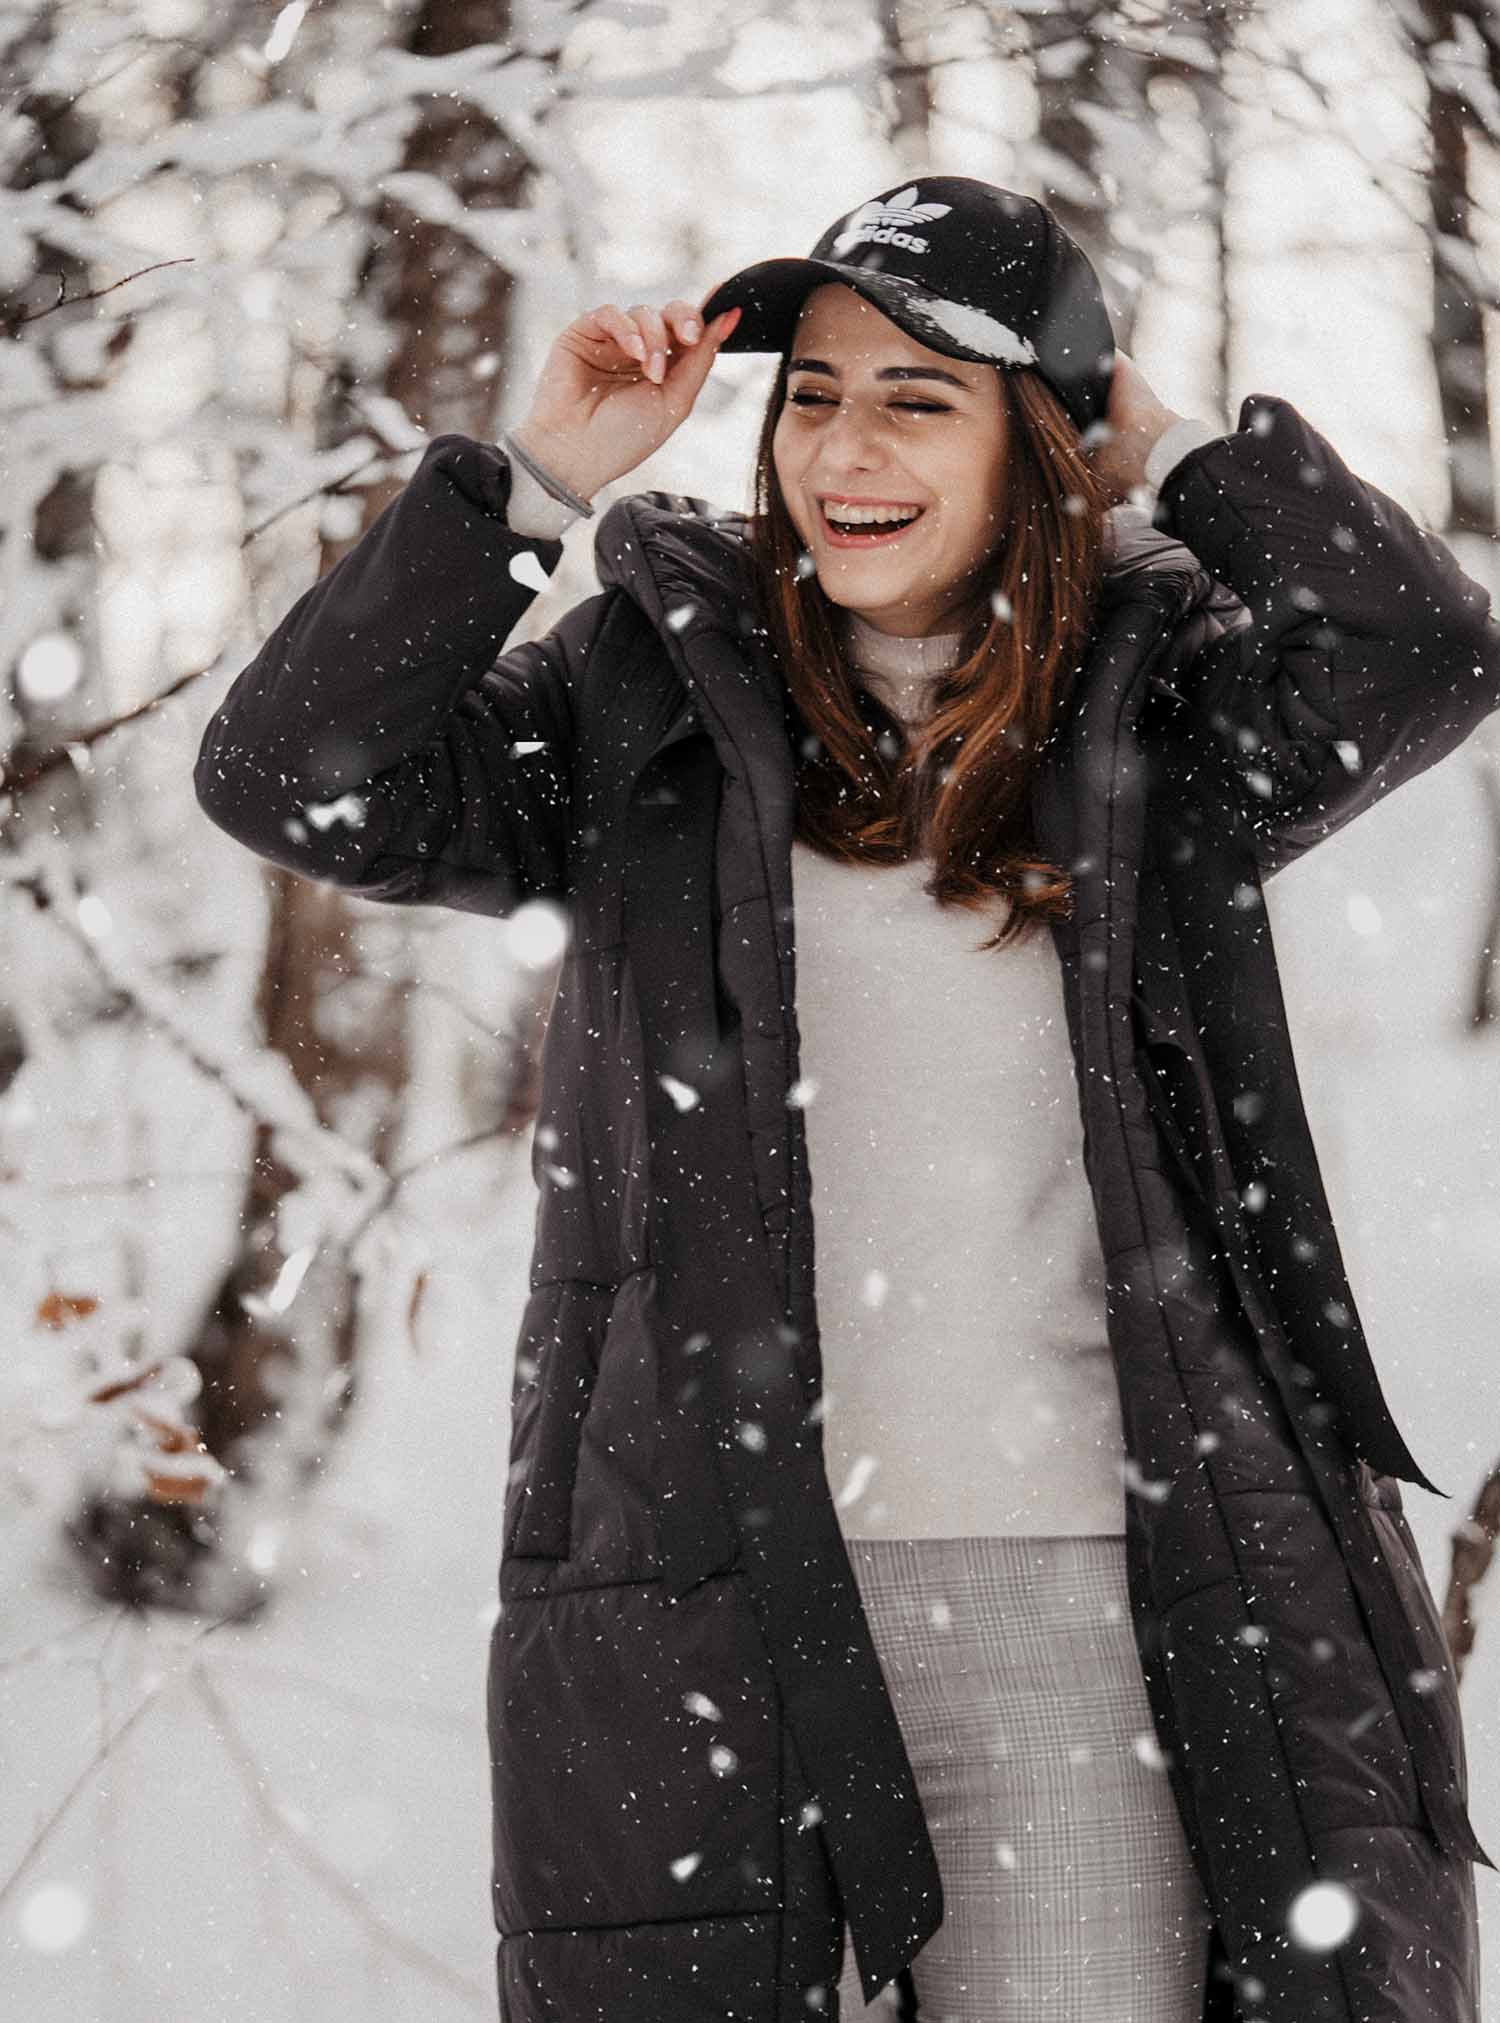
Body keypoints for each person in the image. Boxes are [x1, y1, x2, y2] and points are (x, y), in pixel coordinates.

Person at [194, 177, 1497, 2023]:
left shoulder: (1160, 708)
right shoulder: (639, 697)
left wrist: (1179, 451)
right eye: (813, 392)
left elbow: (1424, 648)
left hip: (1080, 1611)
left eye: (919, 397)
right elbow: (290, 776)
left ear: (1037, 443)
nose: (845, 448)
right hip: (711, 1609)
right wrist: (534, 488)